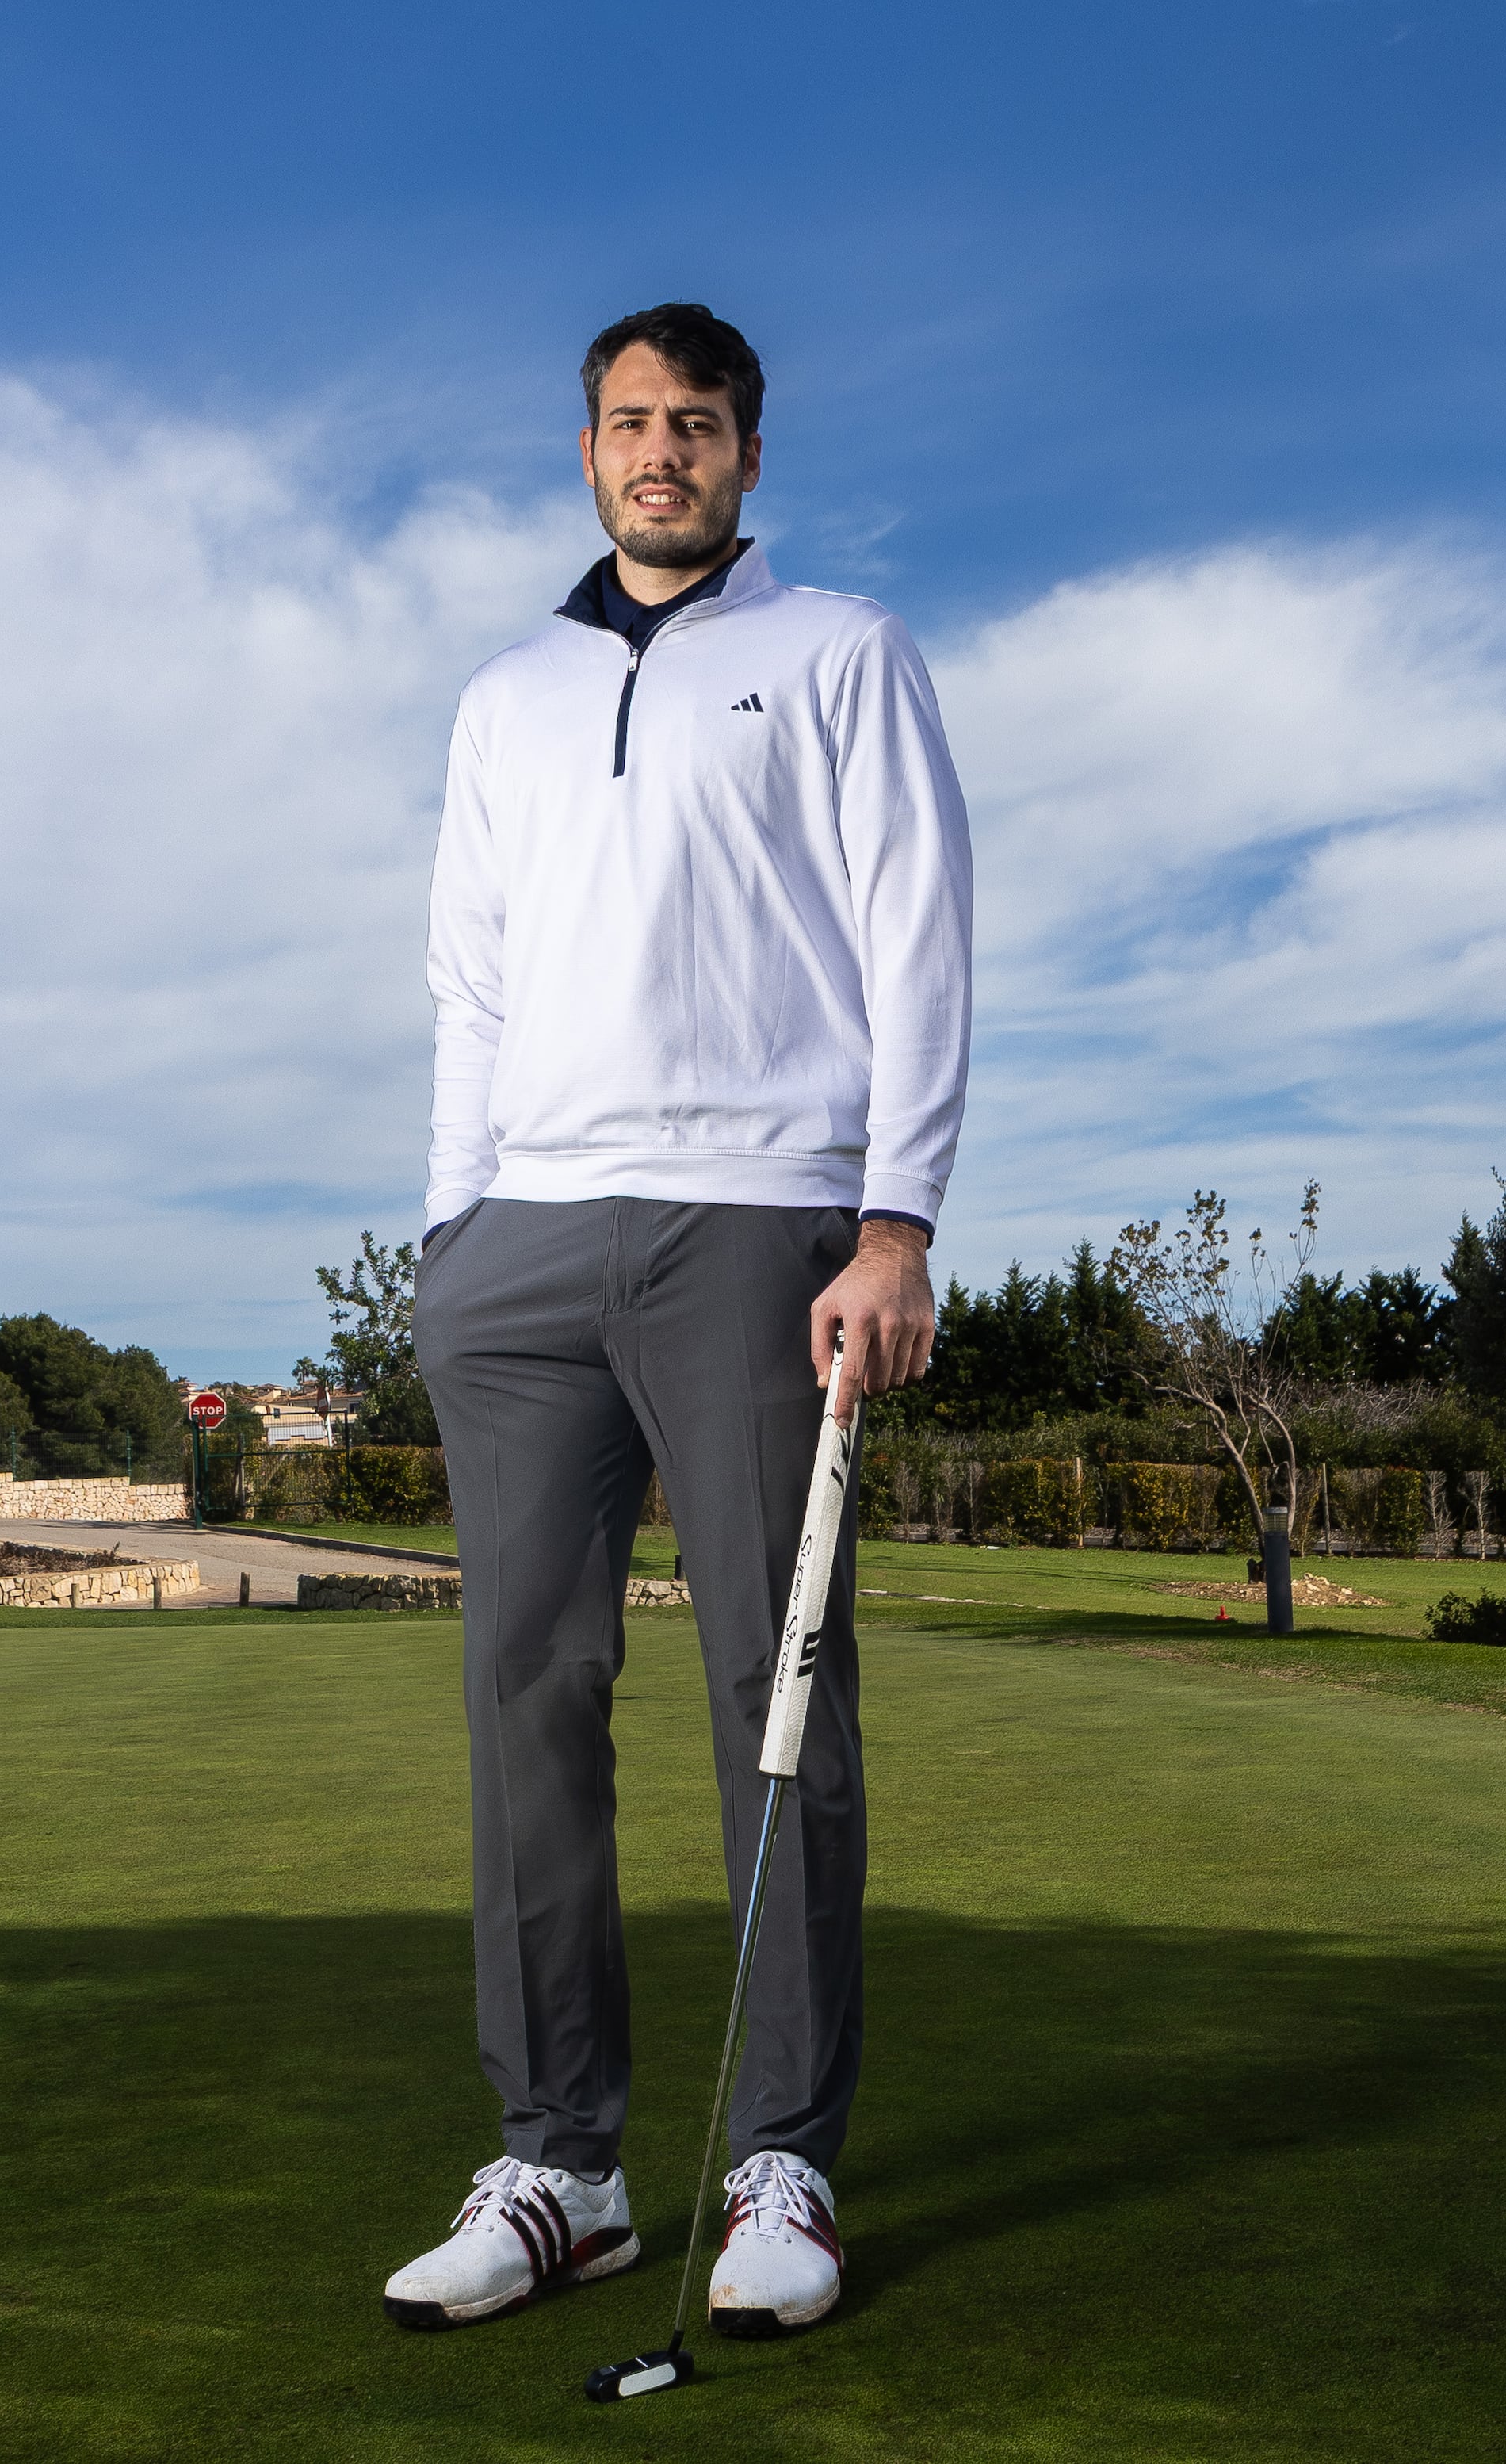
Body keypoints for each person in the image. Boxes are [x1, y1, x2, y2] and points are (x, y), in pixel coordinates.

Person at [380, 302, 973, 2340]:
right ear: (587, 453)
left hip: (757, 1222)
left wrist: (892, 1224)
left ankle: (779, 2163)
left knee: (771, 1690)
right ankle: (561, 2164)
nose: (661, 451)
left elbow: (916, 938)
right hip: (521, 1244)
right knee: (526, 1698)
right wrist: (452, 1234)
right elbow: (468, 979)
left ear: (744, 453)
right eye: (629, 421)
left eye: (696, 423)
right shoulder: (506, 696)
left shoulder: (841, 654)